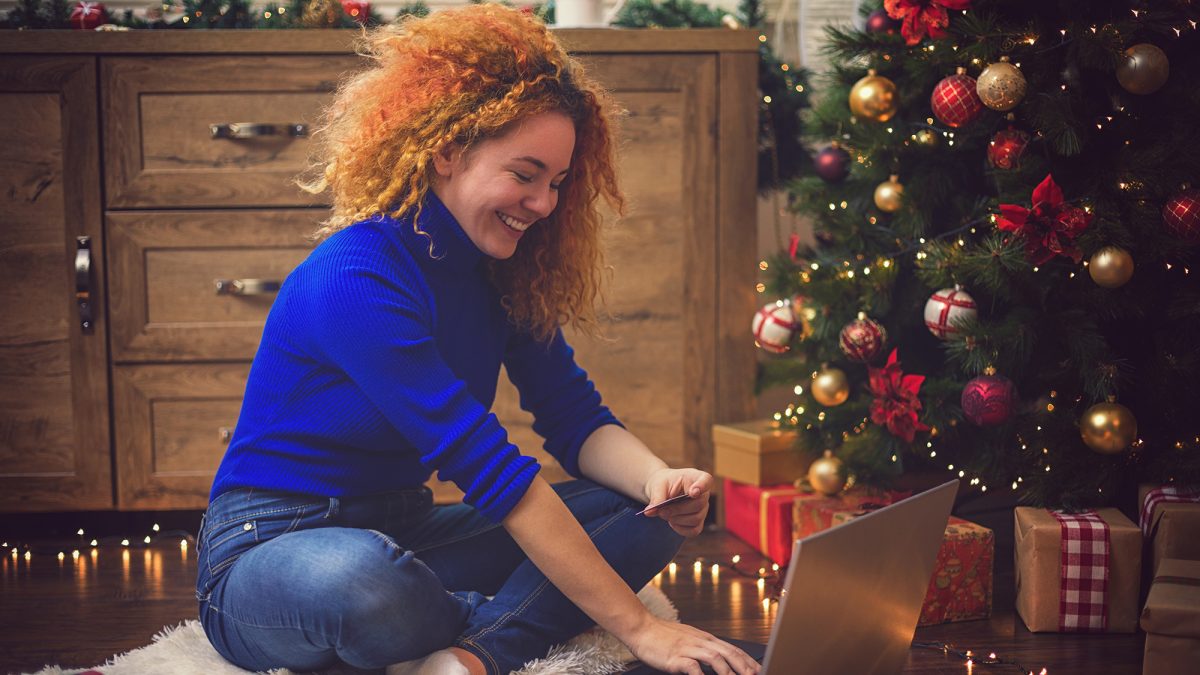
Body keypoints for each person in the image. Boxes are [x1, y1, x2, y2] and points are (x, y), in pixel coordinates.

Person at [194, 5, 759, 675]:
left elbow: (575, 419)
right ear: (448, 150)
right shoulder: (355, 278)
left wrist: (658, 478)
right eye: (524, 175)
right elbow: (493, 472)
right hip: (270, 549)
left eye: (556, 182)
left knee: (637, 511)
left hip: (405, 530)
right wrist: (638, 627)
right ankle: (502, 618)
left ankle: (472, 655)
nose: (544, 204)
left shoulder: (503, 275)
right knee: (366, 583)